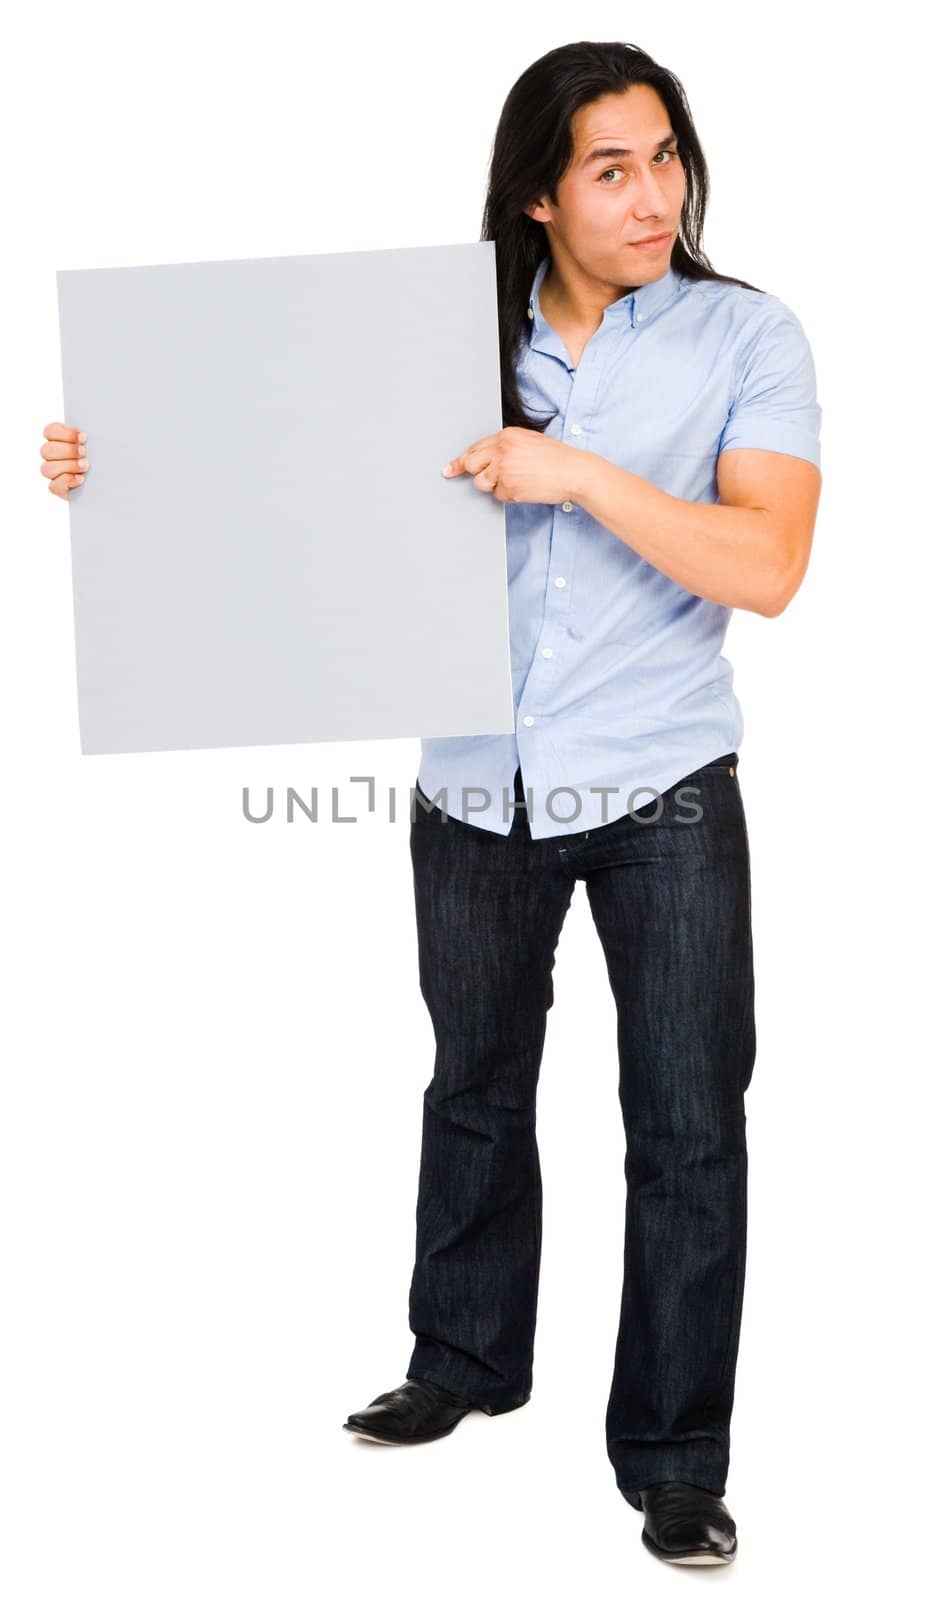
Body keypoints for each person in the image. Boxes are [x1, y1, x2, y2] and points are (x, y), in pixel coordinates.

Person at [39, 40, 822, 1568]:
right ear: (538, 192)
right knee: (471, 1082)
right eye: (611, 167)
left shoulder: (747, 337)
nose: (652, 193)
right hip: (472, 779)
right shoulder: (427, 338)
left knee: (684, 1125)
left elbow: (769, 566)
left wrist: (576, 473)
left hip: (662, 779)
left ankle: (673, 1455)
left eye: (665, 156)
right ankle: (463, 1360)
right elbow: (264, 470)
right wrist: (112, 473)